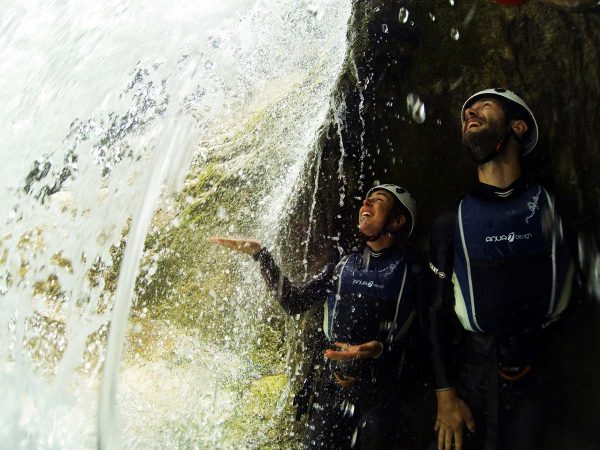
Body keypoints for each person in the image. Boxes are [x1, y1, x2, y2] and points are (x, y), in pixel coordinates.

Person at [210, 184, 419, 449]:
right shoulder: (342, 265)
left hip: (382, 396)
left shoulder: (413, 271)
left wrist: (381, 351)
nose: (365, 204)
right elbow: (294, 302)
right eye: (365, 200)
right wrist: (260, 255)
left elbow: (428, 337)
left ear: (397, 221)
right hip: (332, 390)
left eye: (376, 201)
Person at [428, 88, 575, 450]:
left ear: (518, 127)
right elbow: (433, 312)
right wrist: (445, 395)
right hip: (475, 376)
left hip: (545, 372)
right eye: (465, 113)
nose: (469, 113)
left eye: (484, 105)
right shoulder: (450, 222)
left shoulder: (555, 209)